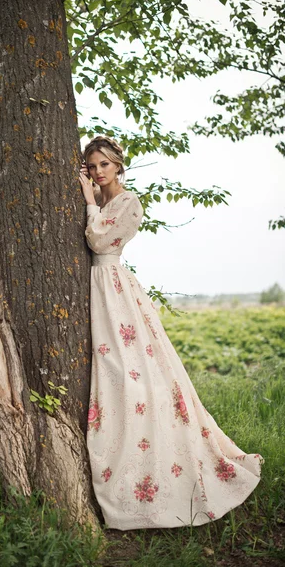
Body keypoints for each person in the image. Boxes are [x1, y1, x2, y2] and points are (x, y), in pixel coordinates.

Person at [78, 135, 264, 531]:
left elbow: (97, 240)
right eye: (91, 166)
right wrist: (93, 202)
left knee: (135, 370)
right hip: (97, 285)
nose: (97, 172)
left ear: (117, 166)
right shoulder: (104, 202)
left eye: (104, 165)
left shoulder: (128, 203)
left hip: (112, 284)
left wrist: (90, 201)